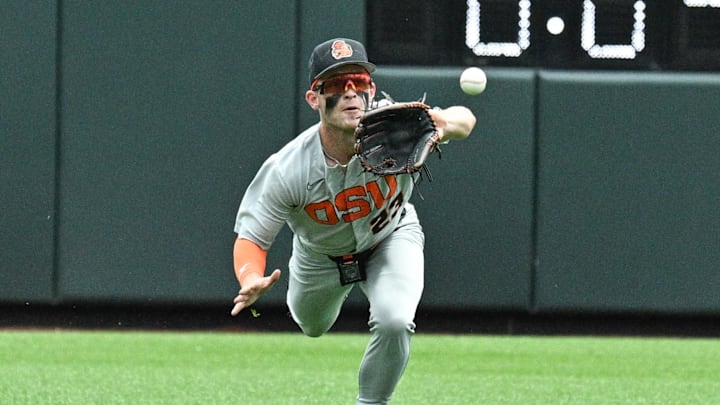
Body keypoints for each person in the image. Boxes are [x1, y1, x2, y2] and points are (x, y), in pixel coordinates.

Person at [230, 38, 476, 404]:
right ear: (314, 98)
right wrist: (250, 277)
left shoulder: (399, 123)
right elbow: (252, 237)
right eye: (335, 85)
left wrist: (439, 125)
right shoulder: (288, 168)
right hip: (320, 257)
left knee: (394, 320)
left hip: (391, 236)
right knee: (312, 326)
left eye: (357, 82)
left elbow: (466, 119)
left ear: (370, 90)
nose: (349, 93)